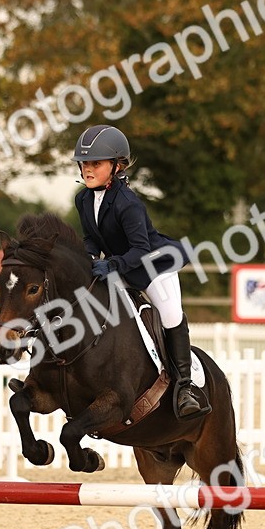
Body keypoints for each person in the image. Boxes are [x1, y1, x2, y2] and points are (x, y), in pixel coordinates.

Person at [72, 123, 208, 420]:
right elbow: (91, 237)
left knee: (170, 314)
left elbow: (140, 249)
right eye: (84, 164)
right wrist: (90, 256)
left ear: (117, 165)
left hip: (151, 265)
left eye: (96, 163)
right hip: (119, 266)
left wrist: (113, 264)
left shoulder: (128, 203)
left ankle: (185, 386)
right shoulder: (83, 198)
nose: (87, 169)